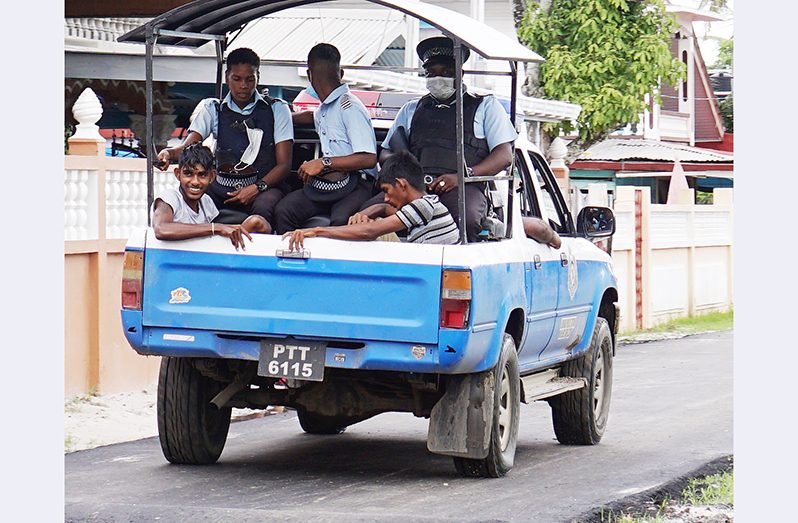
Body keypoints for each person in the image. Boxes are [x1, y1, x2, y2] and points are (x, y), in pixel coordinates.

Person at [373, 36, 518, 242]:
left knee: (465, 221)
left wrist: (461, 176)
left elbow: (504, 156)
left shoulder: (485, 106)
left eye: (446, 72)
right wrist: (406, 171)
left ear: (460, 73)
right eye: (431, 73)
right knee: (367, 212)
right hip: (414, 188)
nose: (437, 78)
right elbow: (386, 151)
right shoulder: (411, 109)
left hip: (462, 186)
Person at [155, 47, 293, 233]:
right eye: (236, 79)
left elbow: (284, 165)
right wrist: (169, 153)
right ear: (227, 76)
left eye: (249, 79)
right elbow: (190, 145)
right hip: (221, 186)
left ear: (258, 77)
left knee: (264, 208)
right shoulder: (213, 108)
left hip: (264, 185)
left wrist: (256, 188)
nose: (243, 85)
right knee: (195, 202)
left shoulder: (277, 109)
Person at [274, 43, 377, 234]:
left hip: (357, 183)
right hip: (328, 184)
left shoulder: (350, 107)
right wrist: (279, 114)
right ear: (341, 73)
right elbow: (310, 117)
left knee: (340, 221)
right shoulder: (324, 109)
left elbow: (369, 158)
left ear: (309, 74)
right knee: (284, 211)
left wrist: (323, 163)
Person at [283, 150, 460, 251]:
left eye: (387, 191)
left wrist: (317, 231)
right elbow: (384, 209)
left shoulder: (423, 206)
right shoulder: (427, 204)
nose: (386, 198)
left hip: (436, 272)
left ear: (401, 184)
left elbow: (369, 232)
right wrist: (365, 213)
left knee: (369, 232)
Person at [151, 143, 267, 250]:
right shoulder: (169, 199)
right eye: (188, 174)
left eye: (202, 175)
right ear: (177, 174)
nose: (195, 182)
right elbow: (161, 229)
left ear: (211, 176)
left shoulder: (206, 202)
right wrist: (215, 228)